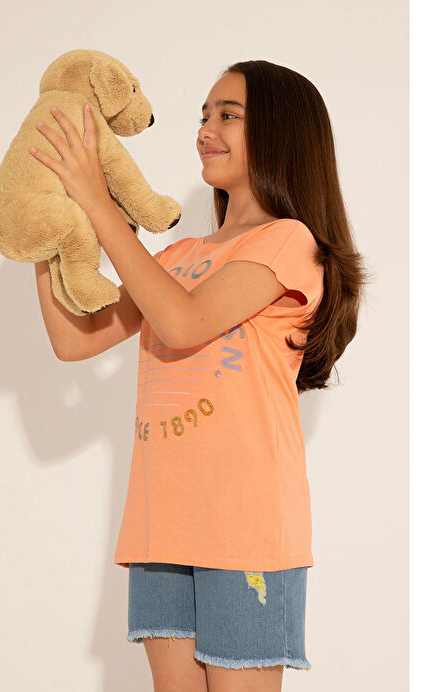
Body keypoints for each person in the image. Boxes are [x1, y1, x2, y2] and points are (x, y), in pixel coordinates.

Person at [34, 60, 370, 692]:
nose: (205, 130)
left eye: (228, 115)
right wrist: (42, 230)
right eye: (204, 115)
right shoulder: (179, 257)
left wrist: (97, 201)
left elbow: (183, 323)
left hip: (246, 530)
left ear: (280, 132)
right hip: (161, 526)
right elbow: (74, 340)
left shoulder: (288, 242)